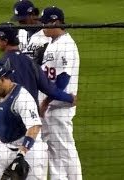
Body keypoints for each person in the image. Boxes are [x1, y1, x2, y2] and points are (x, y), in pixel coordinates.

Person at [0, 22, 77, 180]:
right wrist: (68, 98)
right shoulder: (30, 62)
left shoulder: (1, 67)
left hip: (11, 130)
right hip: (31, 129)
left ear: (4, 40)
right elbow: (49, 89)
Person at [39, 6, 82, 180]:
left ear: (56, 22)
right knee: (54, 150)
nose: (42, 27)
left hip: (59, 107)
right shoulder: (52, 42)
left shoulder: (65, 45)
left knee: (65, 148)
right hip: (53, 106)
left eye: (45, 23)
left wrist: (46, 101)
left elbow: (63, 80)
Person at [0, 61, 43, 179]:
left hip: (29, 150)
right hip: (6, 148)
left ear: (3, 79)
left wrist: (21, 154)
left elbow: (34, 126)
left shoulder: (22, 98)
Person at [11, 0, 50, 66]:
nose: (21, 24)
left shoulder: (48, 33)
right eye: (19, 21)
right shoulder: (21, 32)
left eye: (23, 21)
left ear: (32, 15)